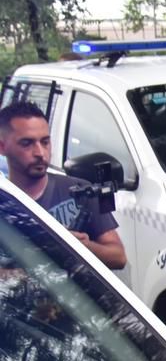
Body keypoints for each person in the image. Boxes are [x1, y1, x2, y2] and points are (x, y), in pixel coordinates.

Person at [0, 102, 126, 270]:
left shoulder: (82, 191)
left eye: (45, 142)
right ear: (2, 147)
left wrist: (83, 247)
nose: (40, 153)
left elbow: (118, 257)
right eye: (27, 143)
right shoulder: (4, 203)